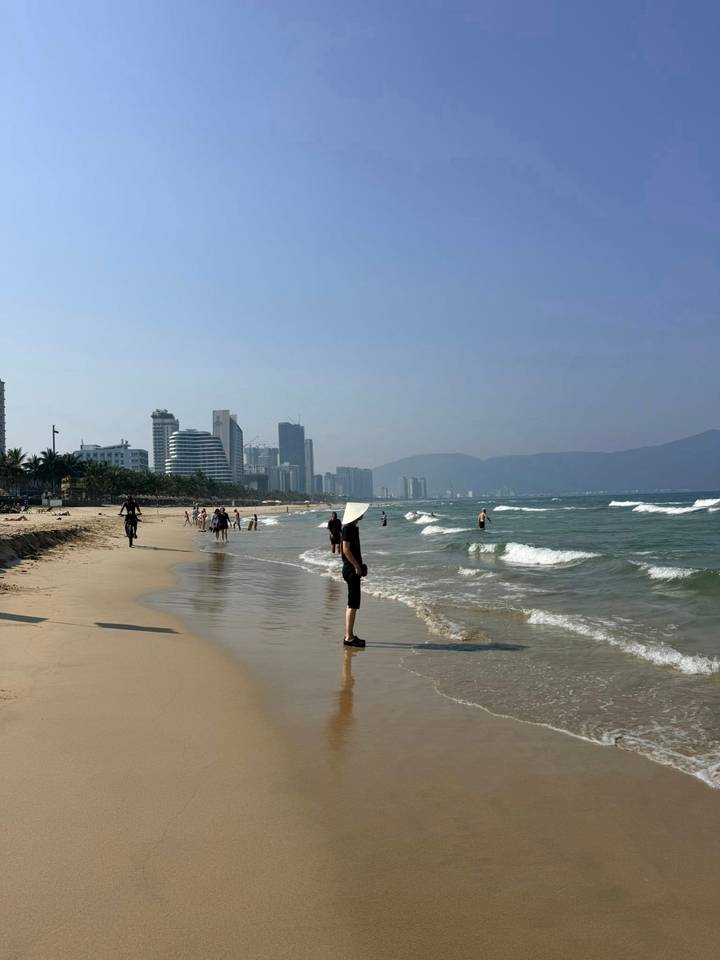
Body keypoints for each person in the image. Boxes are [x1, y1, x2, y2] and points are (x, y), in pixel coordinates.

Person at [341, 502, 369, 647]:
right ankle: (349, 638)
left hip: (351, 569)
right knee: (353, 604)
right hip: (351, 570)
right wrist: (357, 566)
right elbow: (345, 550)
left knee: (351, 603)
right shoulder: (347, 529)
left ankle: (349, 635)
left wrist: (360, 565)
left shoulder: (352, 528)